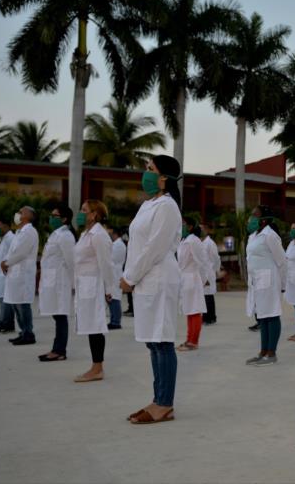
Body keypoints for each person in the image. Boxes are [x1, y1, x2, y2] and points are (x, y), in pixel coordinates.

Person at [121, 155, 183, 425]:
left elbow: (154, 248)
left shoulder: (167, 206)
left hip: (158, 278)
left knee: (162, 342)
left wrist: (130, 277)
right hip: (146, 279)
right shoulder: (149, 205)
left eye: (150, 169)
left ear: (164, 178)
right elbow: (137, 245)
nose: (145, 173)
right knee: (153, 342)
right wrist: (131, 275)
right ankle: (157, 399)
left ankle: (165, 404)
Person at [72, 200, 114, 382]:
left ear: (94, 214)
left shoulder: (99, 235)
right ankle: (95, 366)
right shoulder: (85, 234)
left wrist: (109, 289)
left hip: (94, 287)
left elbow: (106, 264)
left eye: (84, 210)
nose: (80, 213)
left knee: (95, 326)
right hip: (84, 286)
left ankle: (97, 368)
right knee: (90, 326)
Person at [244, 205, 286, 366]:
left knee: (272, 314)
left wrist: (283, 284)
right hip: (257, 281)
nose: (251, 219)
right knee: (262, 316)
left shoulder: (270, 235)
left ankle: (271, 353)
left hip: (270, 280)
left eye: (254, 215)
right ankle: (263, 352)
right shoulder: (253, 236)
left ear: (264, 220)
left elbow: (282, 261)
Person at [37, 206, 76, 362]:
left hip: (60, 283)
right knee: (56, 314)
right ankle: (56, 348)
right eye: (51, 215)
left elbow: (71, 262)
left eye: (55, 216)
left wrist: (74, 284)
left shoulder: (66, 236)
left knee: (60, 315)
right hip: (52, 281)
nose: (51, 218)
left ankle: (59, 351)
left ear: (64, 219)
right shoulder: (56, 234)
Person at [1, 206, 39, 346]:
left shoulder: (29, 231)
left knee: (23, 305)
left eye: (21, 212)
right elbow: (12, 251)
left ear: (29, 216)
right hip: (15, 272)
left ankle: (28, 334)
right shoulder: (19, 232)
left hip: (23, 274)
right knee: (16, 304)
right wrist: (5, 261)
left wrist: (6, 263)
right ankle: (23, 332)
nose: (17, 214)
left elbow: (21, 253)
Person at [177, 216, 209, 352]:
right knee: (189, 311)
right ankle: (189, 339)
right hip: (185, 279)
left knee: (194, 310)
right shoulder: (184, 240)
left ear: (190, 226)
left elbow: (202, 262)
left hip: (193, 278)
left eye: (183, 224)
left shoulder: (194, 241)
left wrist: (202, 280)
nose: (181, 227)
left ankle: (193, 342)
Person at [105, 223, 126, 330]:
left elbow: (111, 259)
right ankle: (113, 320)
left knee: (115, 298)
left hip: (115, 274)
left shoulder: (119, 245)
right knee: (112, 298)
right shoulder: (116, 244)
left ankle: (116, 322)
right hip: (113, 273)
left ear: (115, 233)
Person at [200, 221, 221, 325]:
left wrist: (215, 271)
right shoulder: (199, 242)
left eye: (202, 229)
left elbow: (216, 259)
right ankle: (208, 316)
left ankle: (209, 317)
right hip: (202, 272)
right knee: (204, 296)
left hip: (209, 272)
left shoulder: (210, 243)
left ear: (207, 230)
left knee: (208, 295)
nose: (201, 231)